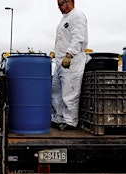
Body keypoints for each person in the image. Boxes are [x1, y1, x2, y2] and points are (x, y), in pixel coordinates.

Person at [51, 0, 88, 131]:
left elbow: (78, 37)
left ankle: (70, 121)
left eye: (60, 4)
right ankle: (58, 118)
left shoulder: (77, 16)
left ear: (69, 1)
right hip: (60, 63)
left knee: (70, 93)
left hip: (71, 62)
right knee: (56, 92)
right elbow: (63, 40)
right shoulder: (63, 20)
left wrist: (70, 54)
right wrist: (55, 53)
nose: (59, 7)